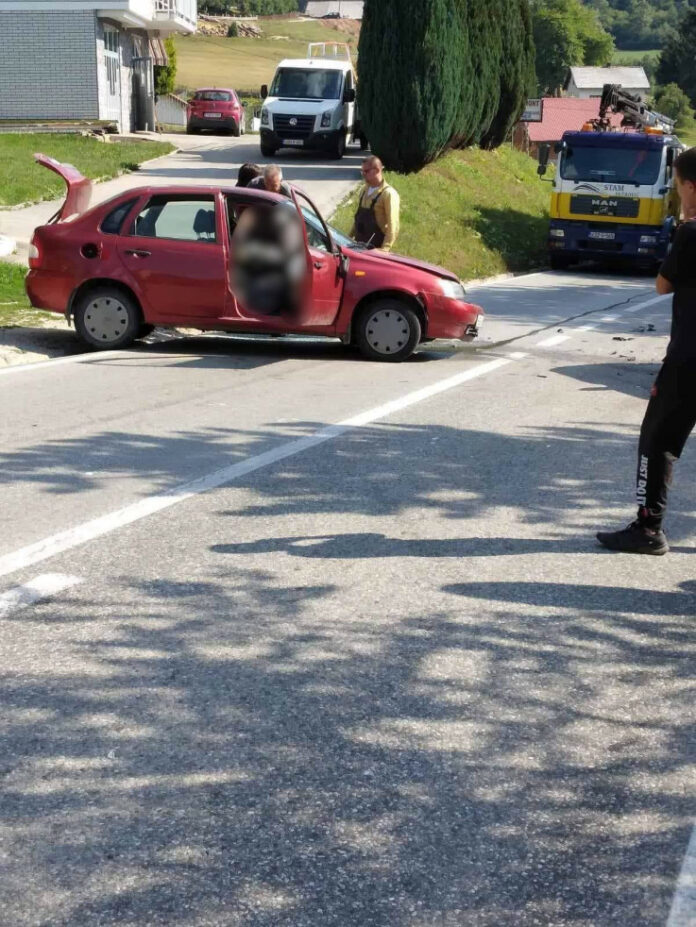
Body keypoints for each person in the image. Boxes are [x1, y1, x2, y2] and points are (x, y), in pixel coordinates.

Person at [597, 147, 696, 555]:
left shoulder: (691, 232)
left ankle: (648, 528)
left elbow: (662, 285)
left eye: (676, 184)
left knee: (658, 438)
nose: (676, 192)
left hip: (689, 360)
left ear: (690, 185)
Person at [350, 155, 400, 252]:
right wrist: (348, 238)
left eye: (366, 171)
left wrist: (384, 249)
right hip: (359, 247)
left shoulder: (388, 194)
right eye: (362, 171)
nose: (363, 174)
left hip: (376, 250)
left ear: (377, 170)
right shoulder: (364, 190)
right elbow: (358, 220)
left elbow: (393, 225)